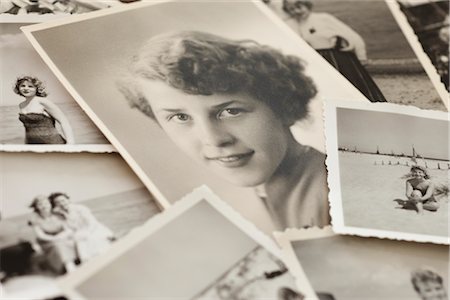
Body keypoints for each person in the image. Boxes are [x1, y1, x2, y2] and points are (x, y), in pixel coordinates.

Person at [118, 31, 330, 229]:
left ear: (283, 106)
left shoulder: (330, 193)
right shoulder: (278, 187)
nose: (213, 139)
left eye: (231, 111)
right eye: (180, 117)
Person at [278, 0, 386, 102]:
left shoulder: (323, 18)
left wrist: (361, 56)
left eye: (299, 7)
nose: (296, 11)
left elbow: (352, 36)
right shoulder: (295, 24)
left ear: (306, 5)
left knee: (355, 89)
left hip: (340, 59)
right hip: (319, 61)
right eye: (291, 9)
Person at [49, 193, 113, 262]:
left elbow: (92, 223)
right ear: (55, 205)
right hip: (79, 234)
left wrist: (87, 232)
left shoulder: (80, 208)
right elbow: (68, 229)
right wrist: (58, 237)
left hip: (93, 229)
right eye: (57, 202)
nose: (61, 203)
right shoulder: (61, 214)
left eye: (63, 200)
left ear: (68, 200)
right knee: (78, 242)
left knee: (90, 240)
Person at [14, 76, 74, 144]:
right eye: (23, 86)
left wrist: (70, 144)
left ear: (37, 88)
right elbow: (28, 128)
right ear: (18, 88)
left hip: (52, 143)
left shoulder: (42, 102)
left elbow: (64, 121)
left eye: (30, 86)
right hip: (32, 144)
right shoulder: (21, 105)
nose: (26, 88)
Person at [28, 195, 77, 274]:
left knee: (73, 240)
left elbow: (68, 229)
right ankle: (69, 265)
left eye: (46, 203)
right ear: (36, 207)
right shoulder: (35, 219)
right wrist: (55, 238)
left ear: (50, 204)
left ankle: (75, 262)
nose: (44, 206)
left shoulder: (58, 214)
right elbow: (41, 235)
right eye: (40, 204)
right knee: (58, 245)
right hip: (47, 241)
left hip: (63, 236)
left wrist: (61, 236)